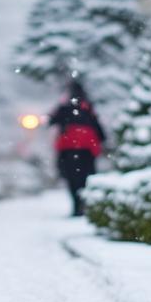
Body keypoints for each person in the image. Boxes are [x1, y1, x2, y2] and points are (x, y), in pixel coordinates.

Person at [48, 80, 106, 216]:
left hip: (68, 150)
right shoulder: (88, 108)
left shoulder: (65, 107)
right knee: (85, 179)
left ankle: (77, 205)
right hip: (87, 150)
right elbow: (99, 130)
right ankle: (84, 203)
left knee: (71, 179)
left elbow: (51, 121)